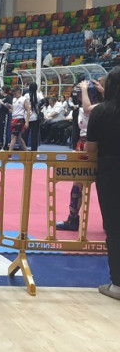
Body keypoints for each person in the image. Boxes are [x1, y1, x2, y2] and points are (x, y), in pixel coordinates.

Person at [85, 67, 120, 300]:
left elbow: (90, 149)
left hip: (110, 173)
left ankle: (117, 284)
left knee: (114, 228)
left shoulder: (101, 112)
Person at [56, 76, 104, 231]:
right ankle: (73, 219)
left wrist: (85, 89)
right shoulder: (79, 110)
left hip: (98, 146)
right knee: (77, 185)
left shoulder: (101, 107)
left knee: (104, 187)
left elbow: (89, 108)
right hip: (82, 145)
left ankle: (109, 221)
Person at [7, 86, 29, 152]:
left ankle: (9, 154)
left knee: (13, 137)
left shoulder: (23, 99)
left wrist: (27, 122)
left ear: (19, 92)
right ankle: (27, 152)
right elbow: (13, 109)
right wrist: (9, 108)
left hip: (19, 119)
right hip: (14, 118)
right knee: (19, 138)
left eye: (15, 92)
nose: (14, 93)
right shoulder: (14, 99)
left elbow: (28, 110)